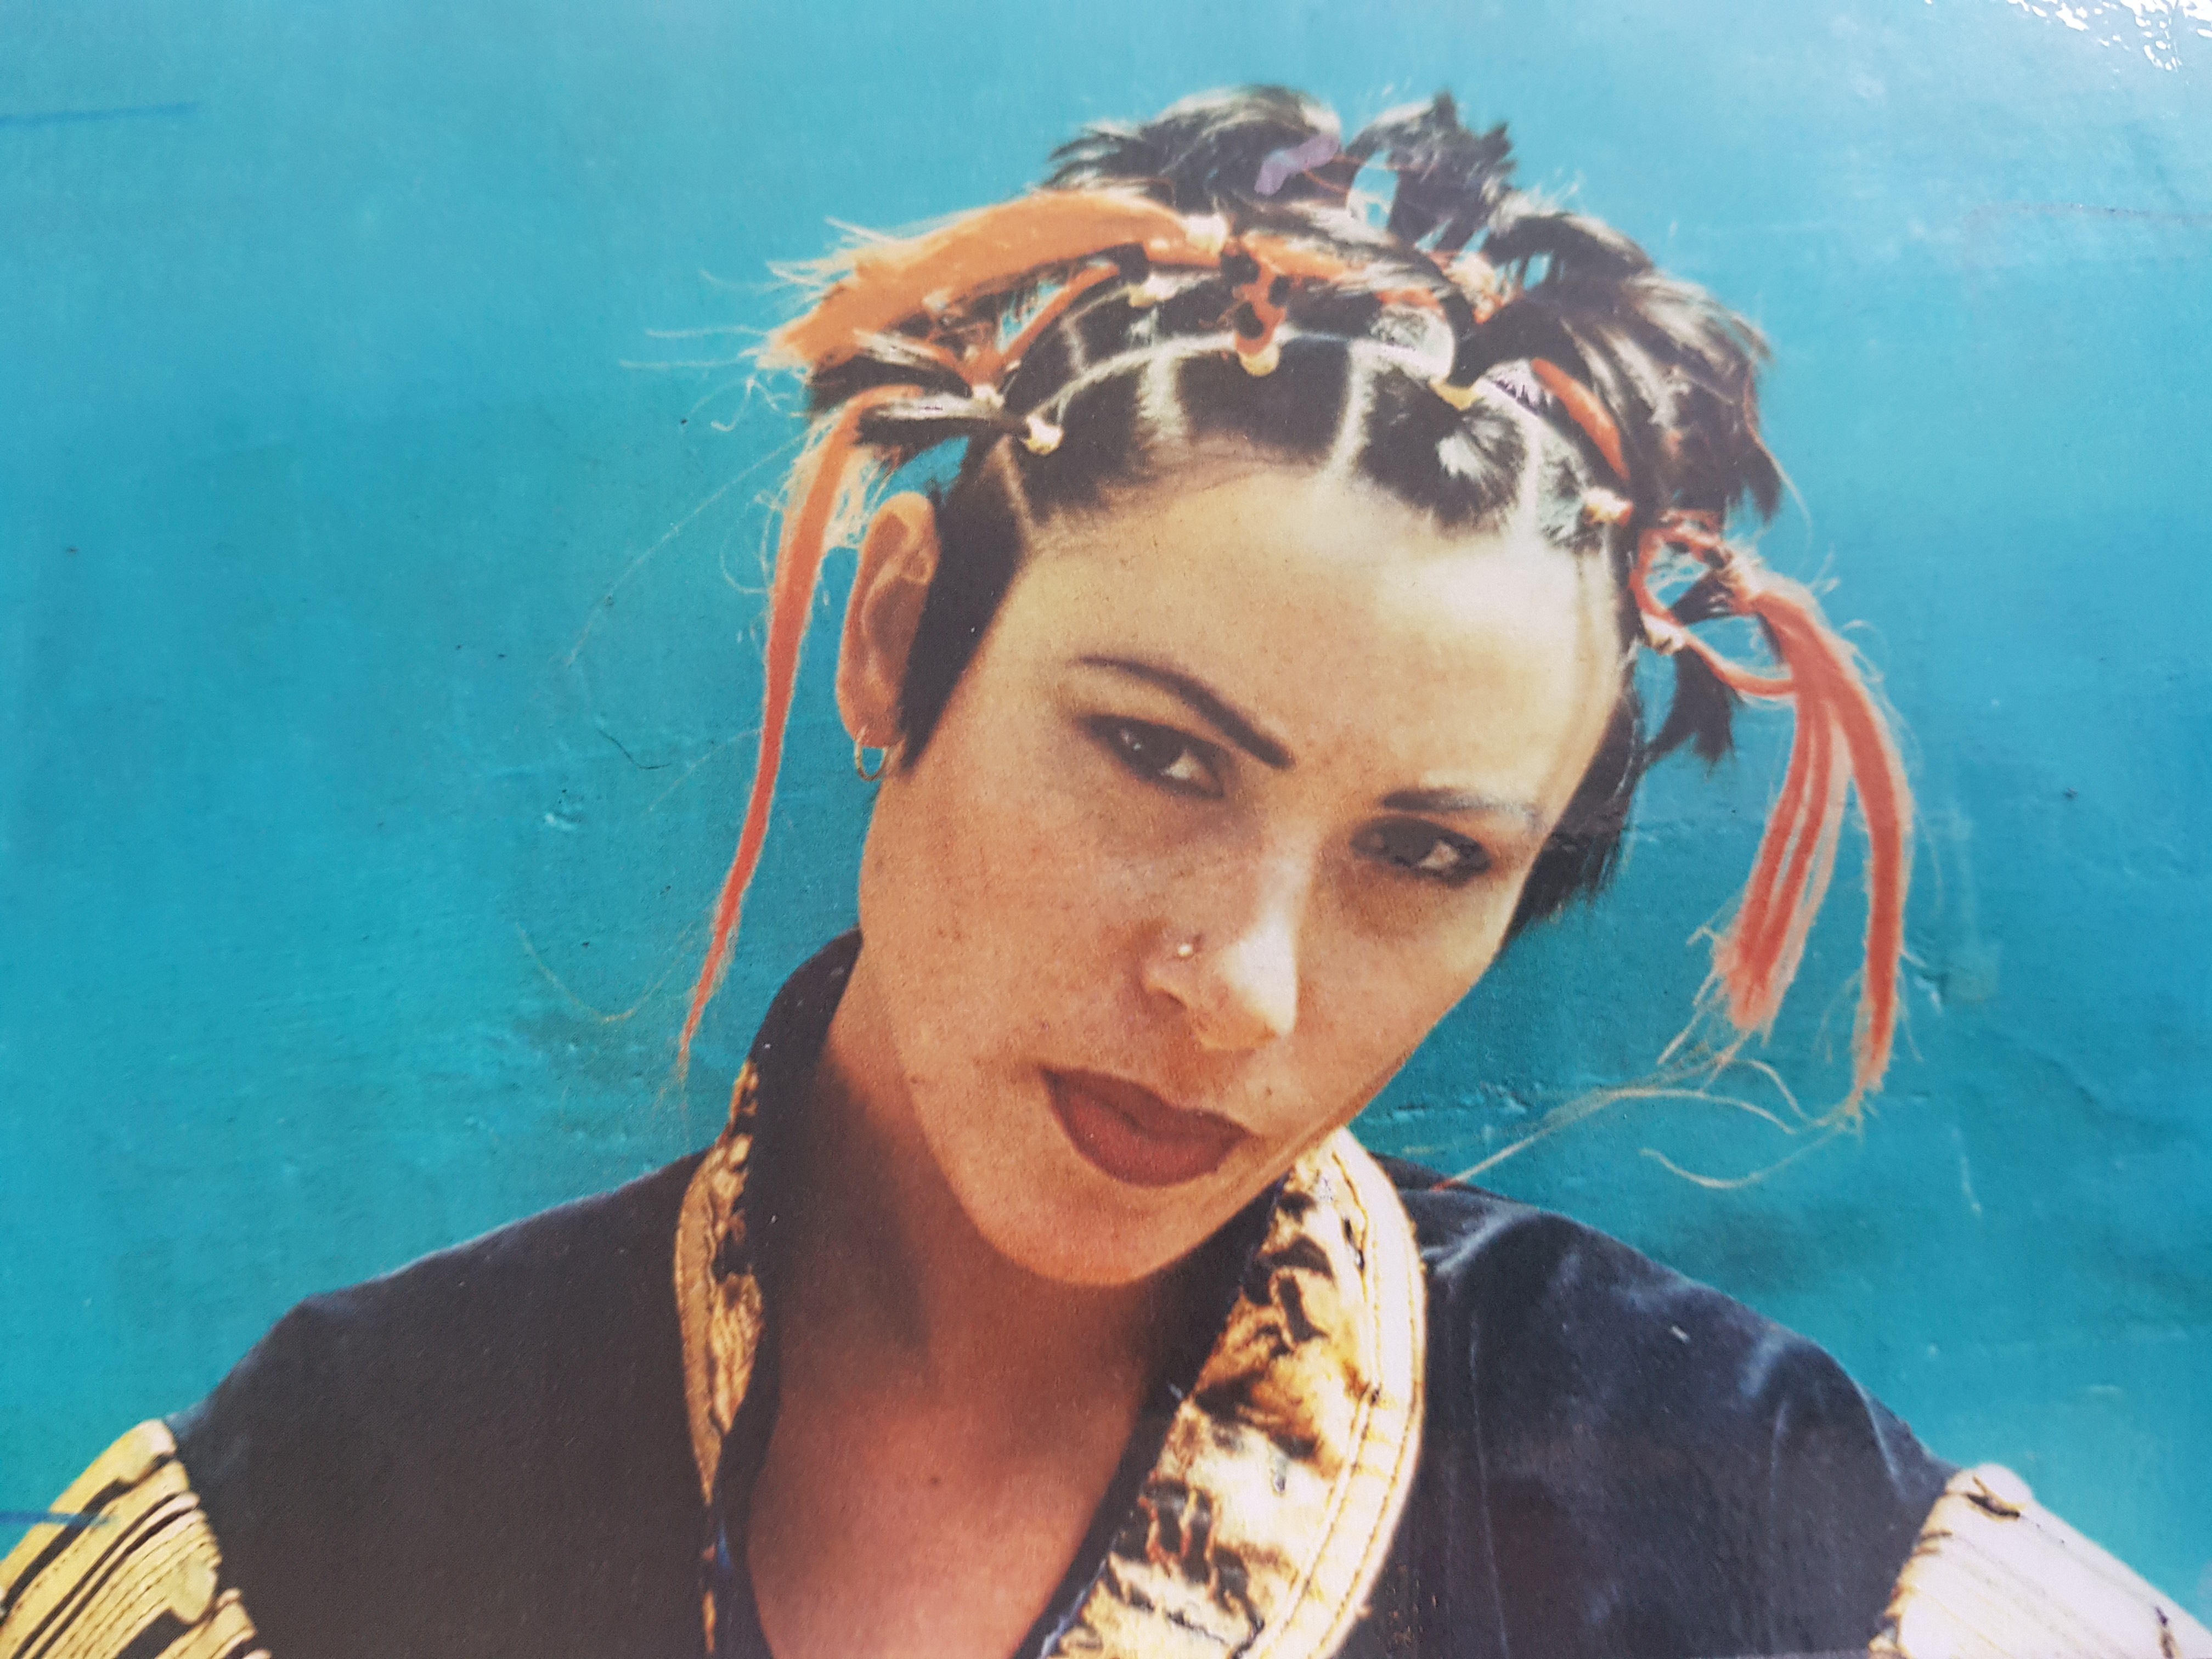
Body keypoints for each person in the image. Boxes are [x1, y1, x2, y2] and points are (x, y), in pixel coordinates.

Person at [4, 86, 2203, 1659]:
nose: (1239, 984)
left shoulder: (1753, 1531)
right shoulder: (332, 1505)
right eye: (1156, 754)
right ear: (897, 642)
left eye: (1425, 855)